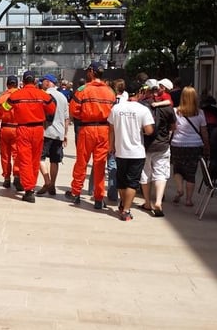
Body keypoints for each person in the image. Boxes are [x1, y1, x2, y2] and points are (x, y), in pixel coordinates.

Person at [67, 61, 116, 208]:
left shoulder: (83, 89)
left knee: (82, 161)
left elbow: (73, 110)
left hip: (87, 129)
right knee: (100, 164)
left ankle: (76, 193)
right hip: (104, 131)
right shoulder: (110, 91)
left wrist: (85, 115)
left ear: (91, 72)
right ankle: (99, 198)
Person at [3, 70, 56, 203]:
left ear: (23, 81)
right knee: (35, 159)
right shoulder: (42, 95)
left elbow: (5, 107)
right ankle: (30, 186)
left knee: (25, 160)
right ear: (34, 81)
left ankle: (29, 190)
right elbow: (52, 109)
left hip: (22, 129)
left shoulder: (16, 95)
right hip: (38, 129)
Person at [108, 93, 154, 221]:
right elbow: (149, 130)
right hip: (137, 152)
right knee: (132, 182)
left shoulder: (116, 108)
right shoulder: (143, 110)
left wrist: (110, 145)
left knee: (122, 181)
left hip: (120, 150)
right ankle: (126, 210)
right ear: (139, 95)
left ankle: (123, 204)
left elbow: (111, 129)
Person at [138, 84, 177, 217]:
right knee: (161, 173)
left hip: (144, 146)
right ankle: (159, 201)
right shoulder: (168, 108)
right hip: (162, 145)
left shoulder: (141, 106)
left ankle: (147, 202)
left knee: (145, 173)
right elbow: (173, 127)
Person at [170, 86, 210, 207]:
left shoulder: (175, 111)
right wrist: (207, 146)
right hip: (195, 145)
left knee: (177, 168)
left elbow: (172, 129)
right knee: (191, 173)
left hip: (177, 144)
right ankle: (188, 199)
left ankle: (179, 189)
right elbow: (204, 132)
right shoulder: (200, 113)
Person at [37, 74, 68, 196]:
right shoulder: (63, 97)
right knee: (55, 160)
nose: (42, 84)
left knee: (40, 157)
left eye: (43, 82)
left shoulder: (45, 95)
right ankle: (53, 185)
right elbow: (66, 118)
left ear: (48, 82)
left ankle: (47, 181)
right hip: (59, 133)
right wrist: (65, 134)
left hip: (46, 131)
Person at [0, 75, 21, 190]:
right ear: (17, 84)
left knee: (5, 155)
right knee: (17, 154)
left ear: (7, 84)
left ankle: (6, 178)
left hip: (4, 129)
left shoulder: (0, 98)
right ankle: (17, 175)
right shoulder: (21, 96)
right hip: (18, 129)